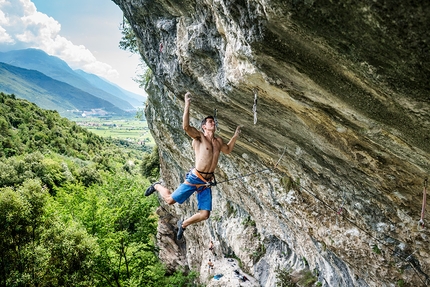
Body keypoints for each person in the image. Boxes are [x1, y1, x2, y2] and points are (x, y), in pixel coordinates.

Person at [145, 91, 241, 240]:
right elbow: (186, 127)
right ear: (203, 126)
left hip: (206, 182)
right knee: (170, 200)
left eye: (213, 122)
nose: (213, 123)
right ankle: (157, 185)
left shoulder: (218, 141)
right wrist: (187, 103)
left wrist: (235, 136)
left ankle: (183, 224)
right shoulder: (199, 138)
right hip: (195, 178)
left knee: (205, 214)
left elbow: (227, 150)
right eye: (210, 122)